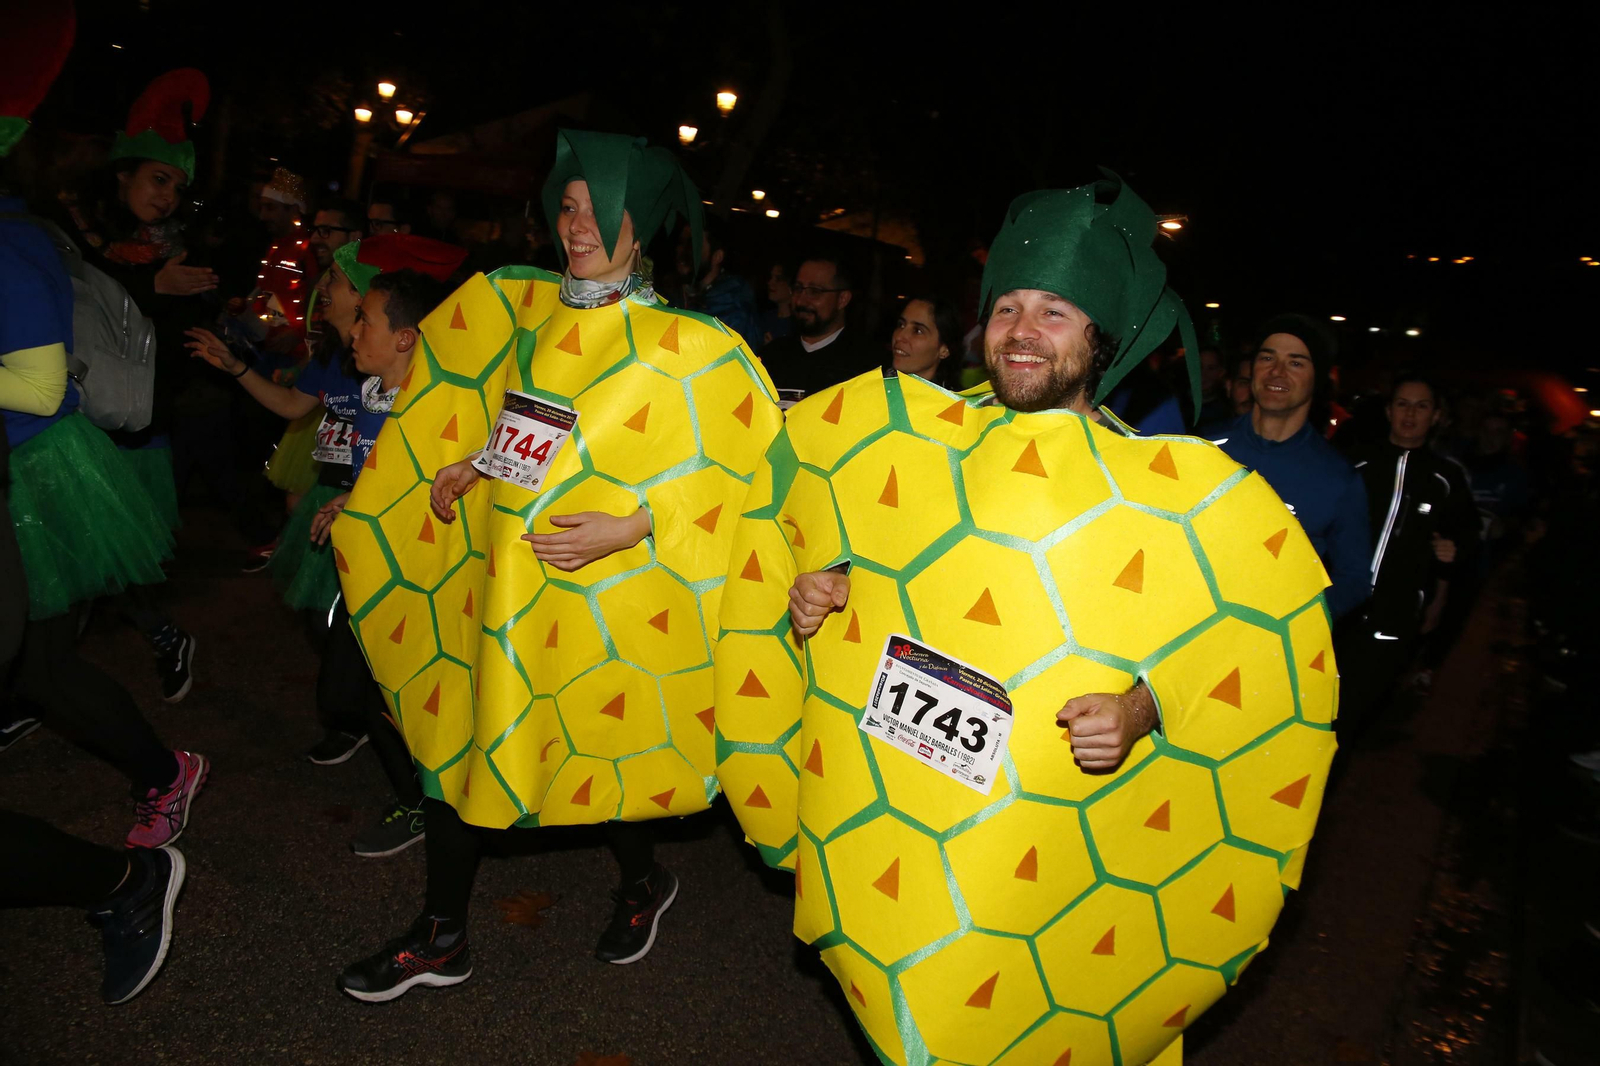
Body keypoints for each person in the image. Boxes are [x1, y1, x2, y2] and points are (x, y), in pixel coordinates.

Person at [717, 173, 1336, 1066]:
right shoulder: (914, 443)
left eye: (1054, 311)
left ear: (1099, 335)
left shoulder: (1165, 496)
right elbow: (852, 545)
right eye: (1007, 306)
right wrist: (825, 589)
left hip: (1041, 849)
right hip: (900, 821)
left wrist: (1140, 709)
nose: (1021, 329)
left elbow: (1240, 651)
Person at [331, 129, 783, 1000]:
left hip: (613, 600)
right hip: (510, 584)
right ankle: (443, 933)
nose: (580, 227)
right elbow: (543, 426)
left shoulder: (693, 346)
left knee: (600, 751)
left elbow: (749, 481)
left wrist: (633, 525)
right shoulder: (535, 315)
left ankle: (644, 880)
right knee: (472, 738)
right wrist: (480, 463)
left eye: (601, 213)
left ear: (641, 228)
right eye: (570, 207)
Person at [187, 235, 468, 856]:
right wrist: (353, 502)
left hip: (411, 564)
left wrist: (370, 503)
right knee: (351, 688)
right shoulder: (363, 379)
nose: (336, 307)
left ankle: (426, 801)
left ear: (404, 335)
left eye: (357, 306)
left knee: (378, 691)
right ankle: (420, 781)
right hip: (363, 539)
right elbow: (323, 424)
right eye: (355, 310)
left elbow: (442, 476)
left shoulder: (437, 396)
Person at [1, 30, 207, 852]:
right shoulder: (71, 229)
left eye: (176, 186)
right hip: (68, 439)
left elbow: (55, 373)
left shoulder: (25, 240)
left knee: (59, 639)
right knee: (48, 637)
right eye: (158, 179)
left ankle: (161, 765)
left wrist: (161, 288)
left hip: (78, 448)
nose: (167, 197)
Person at [1338, 372, 1480, 739]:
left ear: (1436, 416)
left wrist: (1454, 553)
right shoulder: (1354, 462)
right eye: (1402, 404)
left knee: (1353, 714)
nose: (1410, 414)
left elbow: (1467, 535)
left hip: (1395, 614)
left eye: (1421, 406)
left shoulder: (1446, 477)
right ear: (1389, 410)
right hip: (1335, 608)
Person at [1208, 315, 1370, 620]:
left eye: (1295, 363)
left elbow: (1355, 579)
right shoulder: (1203, 448)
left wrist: (1296, 621)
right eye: (1267, 358)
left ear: (1317, 380)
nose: (1277, 372)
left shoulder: (1337, 478)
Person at [758, 253, 879, 397]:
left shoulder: (866, 368)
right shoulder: (772, 356)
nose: (801, 300)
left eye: (814, 292)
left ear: (842, 299)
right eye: (798, 289)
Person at [676, 216, 760, 347]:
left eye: (693, 245)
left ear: (717, 257)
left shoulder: (733, 312)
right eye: (682, 242)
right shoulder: (673, 295)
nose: (683, 250)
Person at [888, 294, 960, 387]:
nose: (899, 336)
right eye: (901, 325)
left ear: (944, 349)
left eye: (917, 331)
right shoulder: (873, 387)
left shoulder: (947, 396)